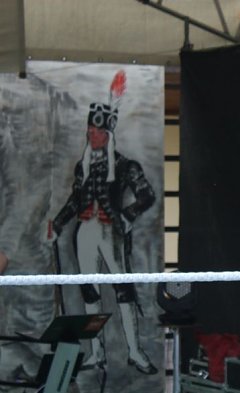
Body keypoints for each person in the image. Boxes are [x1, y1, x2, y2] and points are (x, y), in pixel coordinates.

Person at [50, 69, 157, 375]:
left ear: (107, 135)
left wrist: (126, 215)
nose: (90, 135)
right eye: (89, 131)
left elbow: (146, 195)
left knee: (123, 291)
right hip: (85, 232)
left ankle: (134, 352)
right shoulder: (82, 168)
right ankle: (96, 354)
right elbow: (74, 200)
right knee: (89, 291)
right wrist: (57, 224)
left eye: (96, 132)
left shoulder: (124, 165)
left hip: (112, 232)